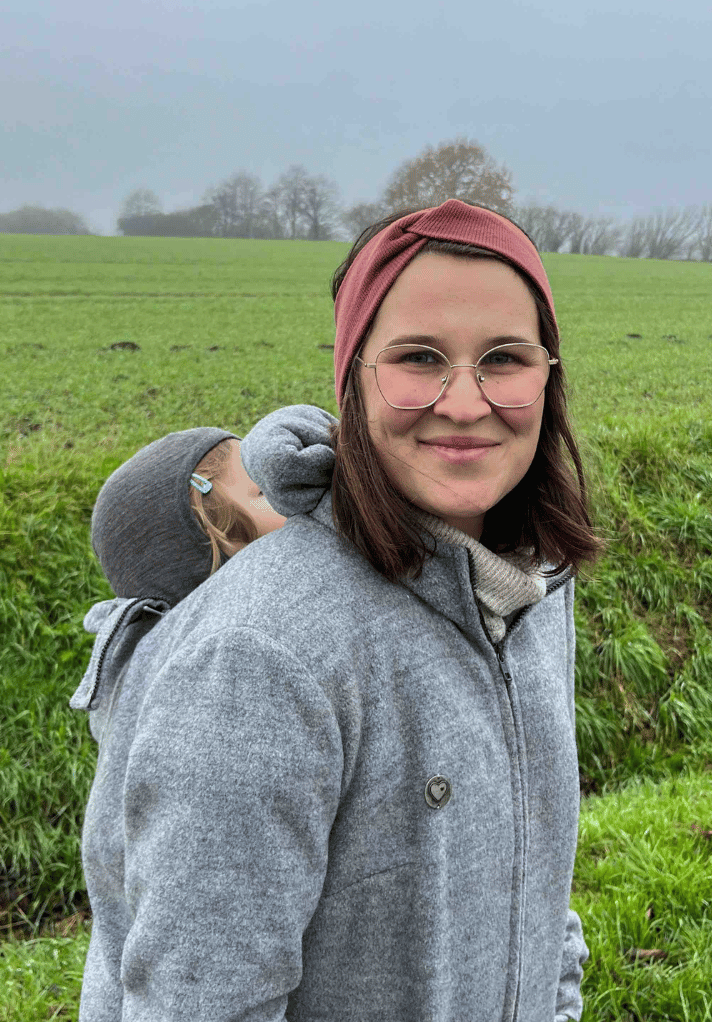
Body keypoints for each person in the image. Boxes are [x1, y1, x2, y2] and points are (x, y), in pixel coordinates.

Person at [75, 199, 602, 1021]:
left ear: (549, 377)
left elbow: (532, 893)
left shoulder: (533, 590)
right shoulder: (260, 657)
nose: (465, 404)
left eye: (504, 359)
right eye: (418, 358)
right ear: (353, 380)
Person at [70, 427, 286, 1001]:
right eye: (264, 495)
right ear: (215, 551)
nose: (296, 497)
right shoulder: (218, 698)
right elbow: (202, 960)